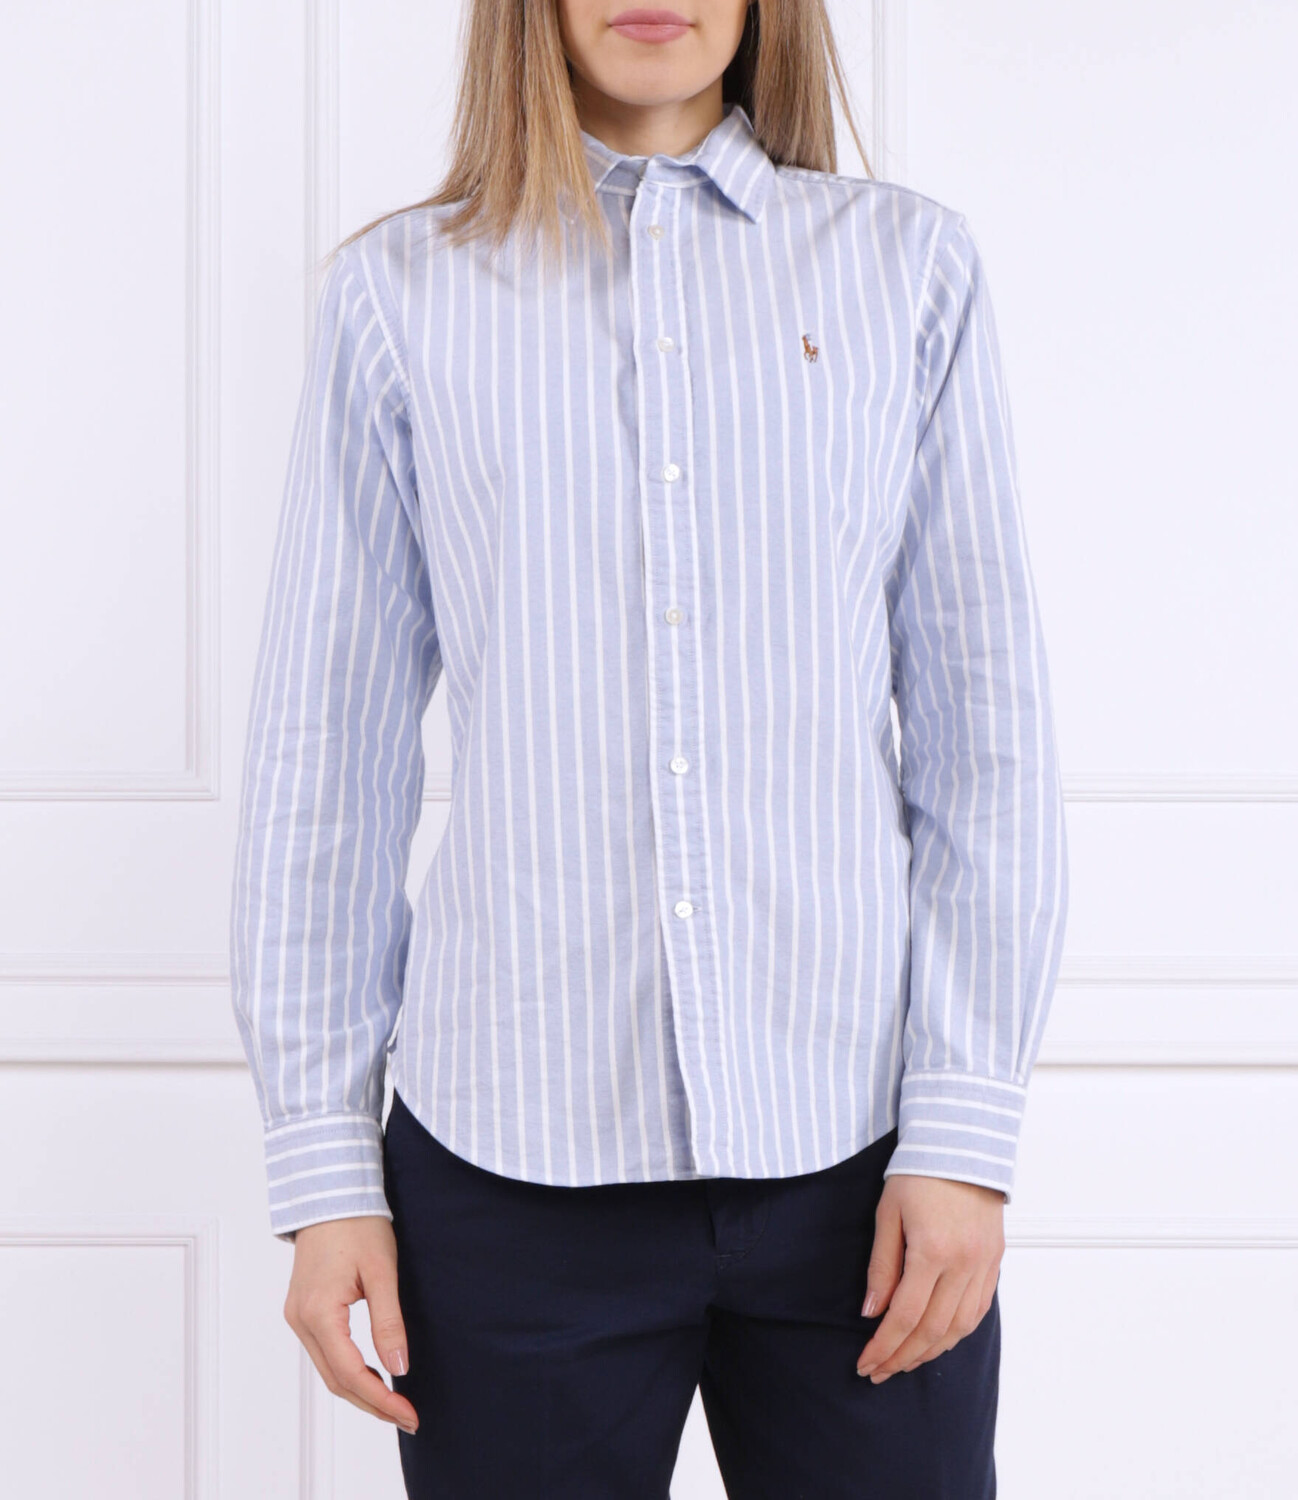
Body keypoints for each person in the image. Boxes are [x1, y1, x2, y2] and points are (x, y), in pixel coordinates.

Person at [228, 2, 1070, 1495]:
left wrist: (961, 1133)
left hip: (862, 1171)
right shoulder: (399, 296)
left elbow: (984, 734)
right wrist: (324, 1162)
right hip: (504, 1177)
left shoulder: (905, 267)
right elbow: (325, 759)